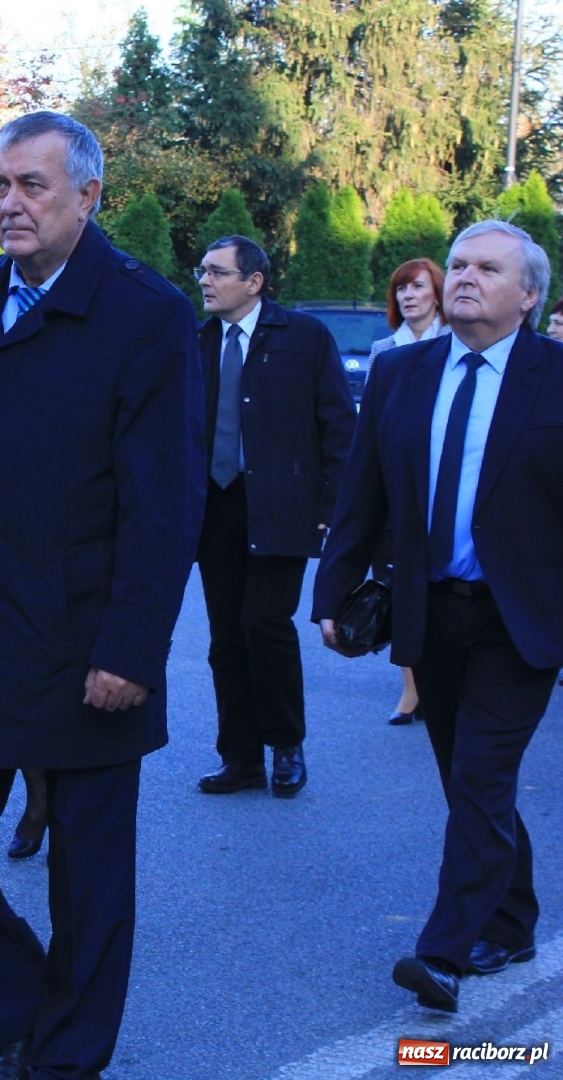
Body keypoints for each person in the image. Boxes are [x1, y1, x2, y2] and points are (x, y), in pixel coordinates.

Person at [0, 112, 205, 1080]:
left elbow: (164, 503)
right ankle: (30, 999)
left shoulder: (147, 314)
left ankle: (63, 1059)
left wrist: (132, 650)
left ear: (89, 196)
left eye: (32, 186)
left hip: (81, 648)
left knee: (88, 882)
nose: (7, 203)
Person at [315, 219, 563, 1013]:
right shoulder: (403, 373)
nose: (464, 277)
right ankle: (514, 919)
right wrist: (332, 593)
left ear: (528, 295)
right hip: (433, 614)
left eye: (488, 268)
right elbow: (362, 492)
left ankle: (444, 951)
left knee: (483, 777)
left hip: (520, 621)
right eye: (458, 264)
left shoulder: (556, 377)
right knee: (469, 784)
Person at [193, 236, 354, 798]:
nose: (206, 282)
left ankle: (286, 746)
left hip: (282, 509)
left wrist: (334, 509)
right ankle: (239, 758)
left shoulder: (303, 338)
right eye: (203, 272)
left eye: (217, 272)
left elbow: (338, 428)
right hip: (215, 509)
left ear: (254, 282)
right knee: (224, 637)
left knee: (264, 626)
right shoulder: (197, 341)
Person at [369, 258, 450, 727]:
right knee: (398, 585)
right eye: (400, 289)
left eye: (417, 286)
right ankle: (410, 688)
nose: (407, 296)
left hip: (440, 482)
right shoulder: (385, 349)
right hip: (395, 484)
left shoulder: (456, 342)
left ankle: (440, 682)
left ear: (437, 292)